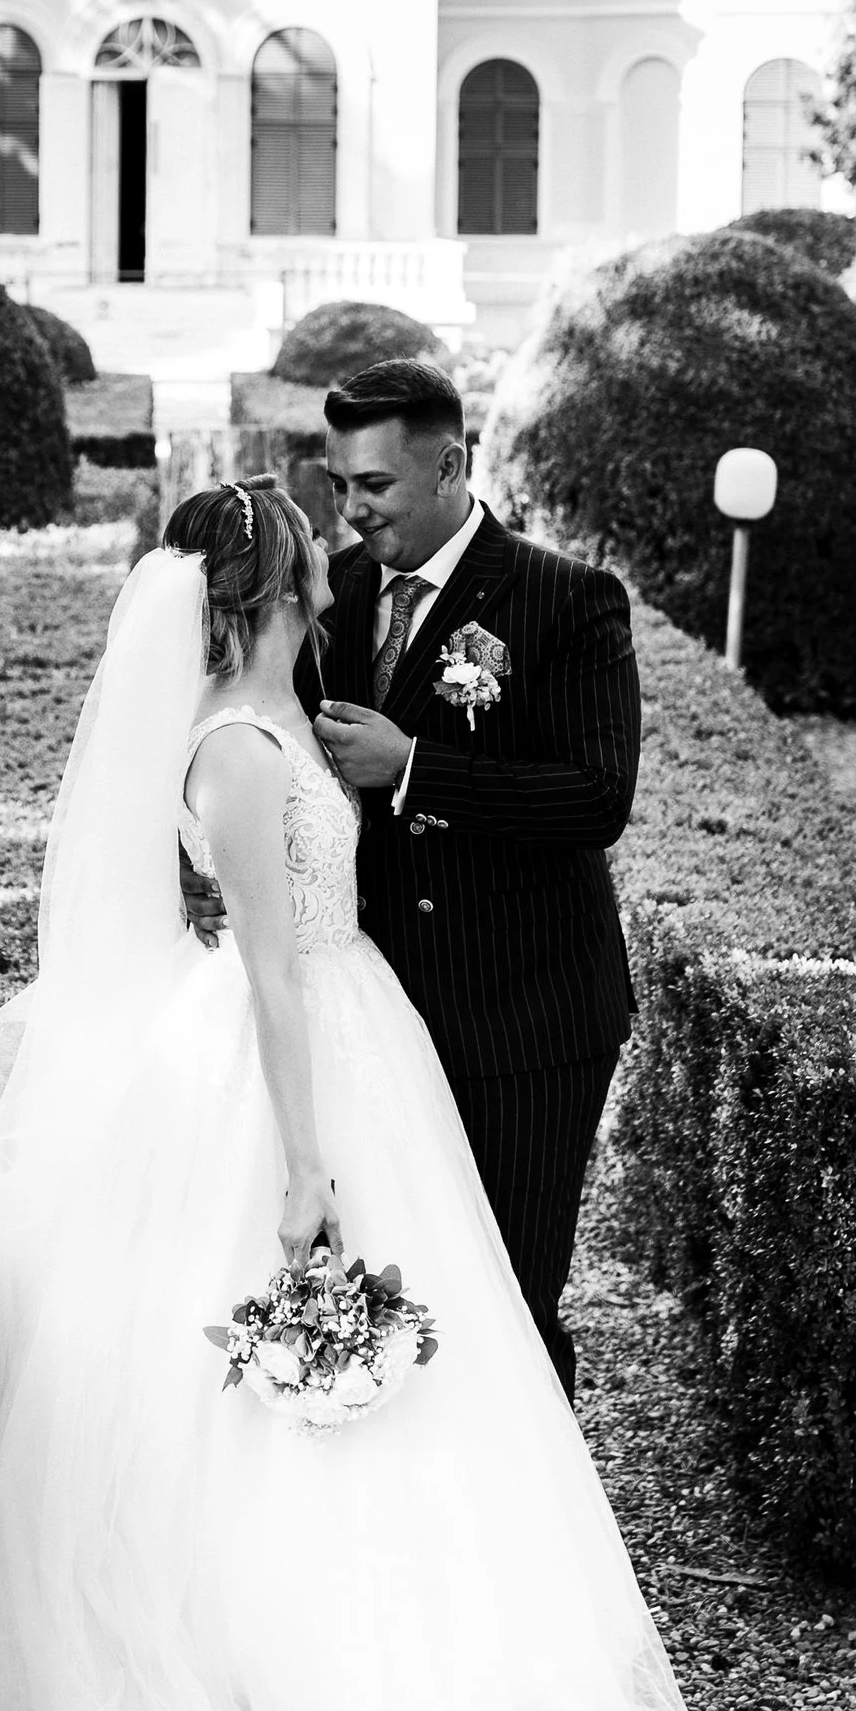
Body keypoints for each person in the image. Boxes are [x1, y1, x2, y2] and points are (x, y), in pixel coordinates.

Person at [0, 482, 692, 1711]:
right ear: (267, 590)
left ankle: (428, 1677)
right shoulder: (239, 754)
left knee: (416, 1377)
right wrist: (305, 1164)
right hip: (297, 1062)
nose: (338, 562)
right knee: (291, 1403)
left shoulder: (285, 717)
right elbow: (265, 968)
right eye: (313, 554)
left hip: (360, 1032)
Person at [200, 355, 639, 1403]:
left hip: (522, 1021)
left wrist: (416, 768)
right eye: (339, 487)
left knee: (509, 1305)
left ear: (450, 466)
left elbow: (595, 798)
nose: (351, 513)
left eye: (375, 488)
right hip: (369, 1024)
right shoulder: (330, 597)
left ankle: (533, 1546)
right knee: (396, 1306)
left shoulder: (565, 602)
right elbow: (262, 752)